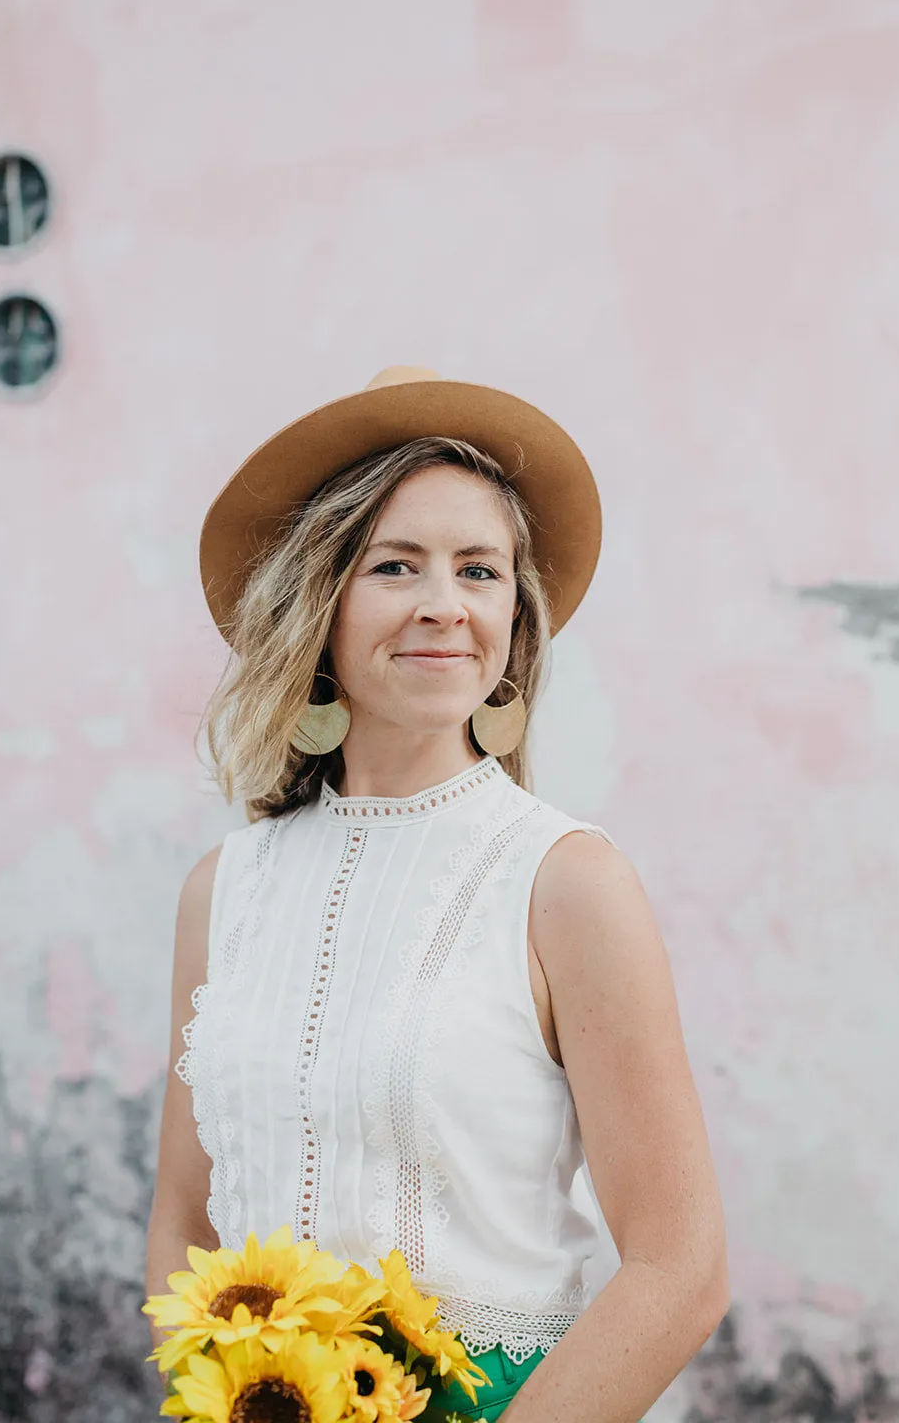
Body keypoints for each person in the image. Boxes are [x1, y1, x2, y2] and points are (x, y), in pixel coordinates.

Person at [146, 366, 729, 1423]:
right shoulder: (221, 893)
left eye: (478, 569)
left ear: (516, 616)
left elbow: (679, 1270)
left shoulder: (565, 881)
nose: (443, 606)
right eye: (395, 565)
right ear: (317, 602)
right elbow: (186, 1217)